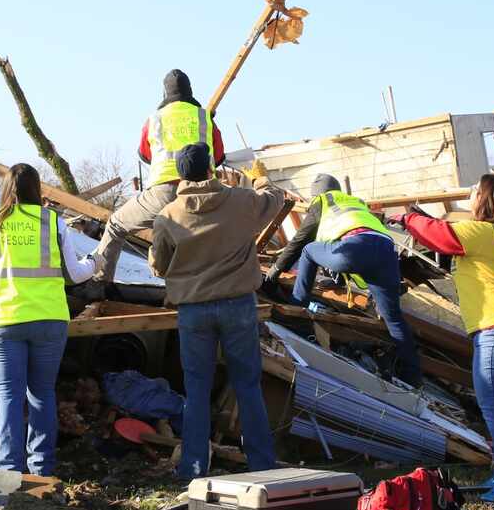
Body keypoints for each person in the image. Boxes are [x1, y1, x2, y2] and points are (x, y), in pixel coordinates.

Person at [391, 174, 494, 502]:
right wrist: (419, 217)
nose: (468, 196)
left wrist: (406, 218)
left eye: (473, 191)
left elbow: (440, 237)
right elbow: (446, 232)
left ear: (483, 199)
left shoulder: (478, 232)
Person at [149, 143, 282, 480]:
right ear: (211, 169)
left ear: (180, 176)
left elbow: (158, 266)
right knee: (248, 386)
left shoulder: (168, 216)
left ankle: (194, 468)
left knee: (196, 390)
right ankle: (262, 466)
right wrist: (261, 179)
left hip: (193, 311)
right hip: (238, 305)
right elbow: (275, 200)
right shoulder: (241, 200)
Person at [0, 164, 99, 477]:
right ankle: (42, 470)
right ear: (37, 189)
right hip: (49, 319)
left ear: (6, 189)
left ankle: (9, 471)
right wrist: (96, 261)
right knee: (42, 394)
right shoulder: (53, 223)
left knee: (8, 397)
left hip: (3, 322)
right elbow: (75, 274)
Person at [263, 173, 422, 386]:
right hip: (386, 250)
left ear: (315, 194)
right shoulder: (355, 203)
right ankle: (413, 377)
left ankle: (296, 307)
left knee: (310, 250)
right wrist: (337, 282)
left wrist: (274, 271)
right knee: (393, 318)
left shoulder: (323, 201)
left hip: (355, 248)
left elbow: (300, 241)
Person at [94, 69, 225, 284]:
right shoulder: (205, 118)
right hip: (206, 194)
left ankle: (100, 284)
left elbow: (145, 155)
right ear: (190, 91)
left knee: (116, 225)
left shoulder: (154, 119)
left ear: (164, 94)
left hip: (165, 194)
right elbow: (218, 157)